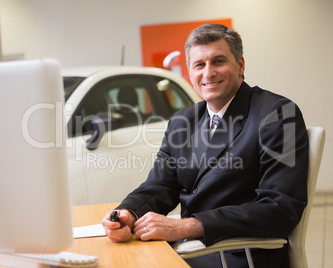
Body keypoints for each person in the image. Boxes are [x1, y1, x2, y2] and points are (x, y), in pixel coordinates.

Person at [101, 23, 309, 268]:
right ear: (190, 71)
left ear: (240, 65)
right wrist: (128, 213)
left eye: (218, 61)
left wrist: (187, 226)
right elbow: (161, 184)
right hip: (190, 248)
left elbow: (280, 208)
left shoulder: (277, 114)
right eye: (199, 65)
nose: (208, 73)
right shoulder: (183, 120)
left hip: (240, 254)